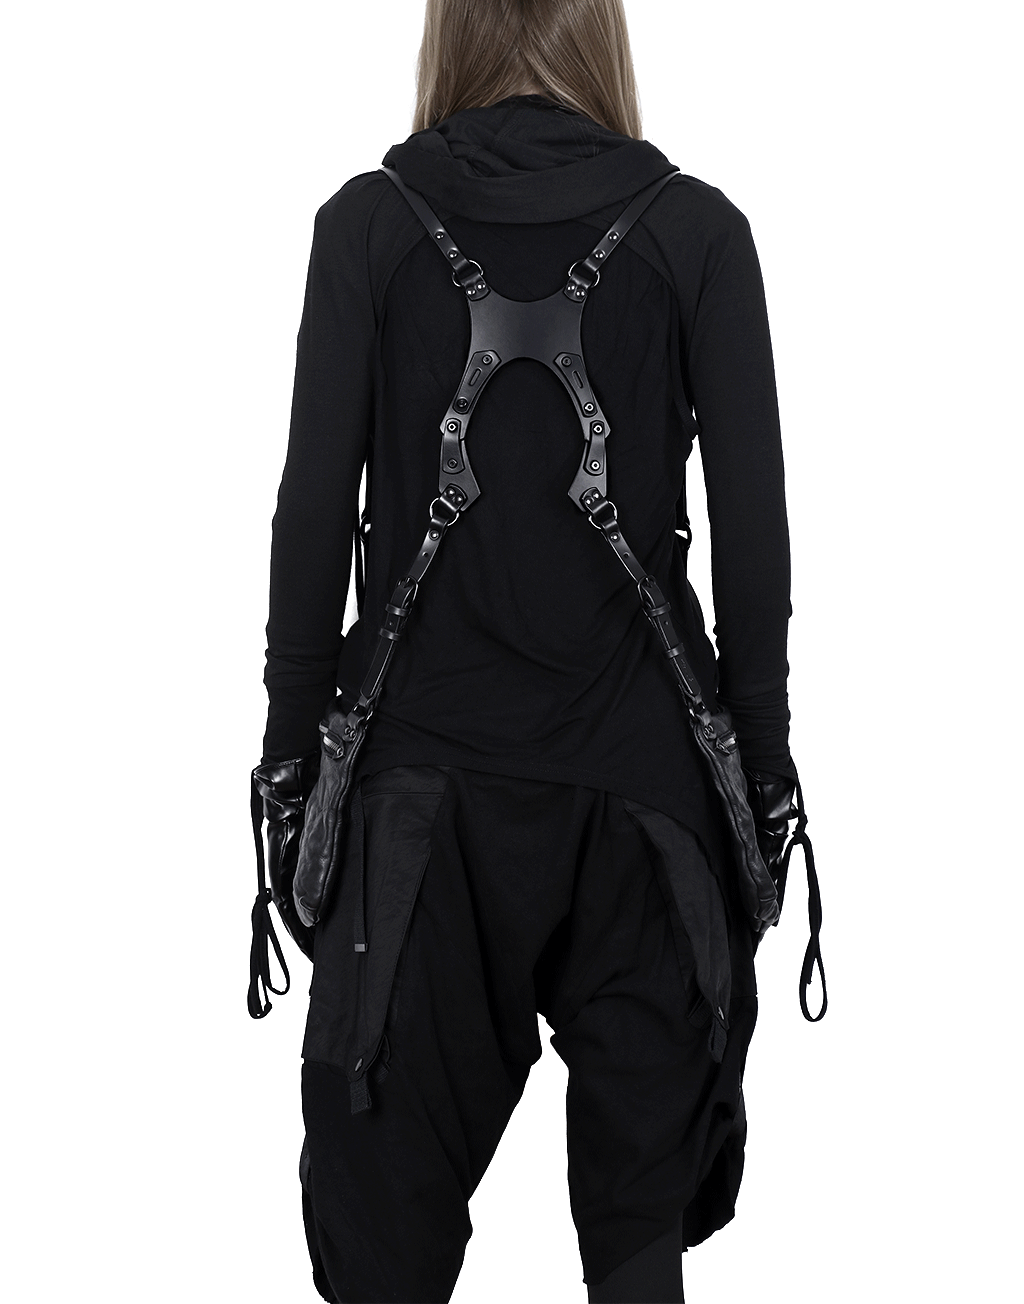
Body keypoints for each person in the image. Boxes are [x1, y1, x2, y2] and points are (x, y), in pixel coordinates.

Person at [248, 1, 824, 1300]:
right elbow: (756, 533)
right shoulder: (697, 235)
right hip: (647, 800)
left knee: (384, 1250)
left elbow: (309, 519)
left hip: (418, 807)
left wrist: (288, 776)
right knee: (638, 1246)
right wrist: (764, 782)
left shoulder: (368, 229)